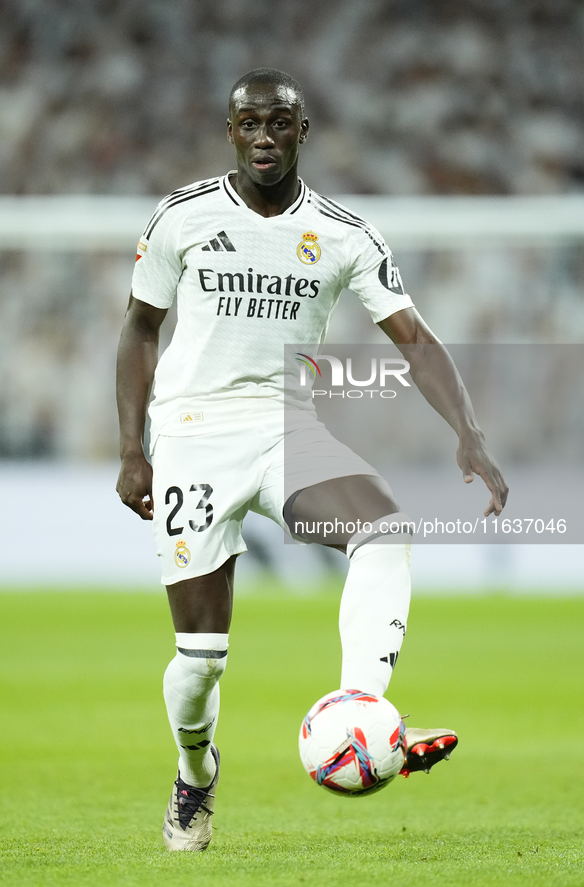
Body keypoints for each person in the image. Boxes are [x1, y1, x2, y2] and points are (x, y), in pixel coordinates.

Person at [116, 68, 508, 852]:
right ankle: (196, 771)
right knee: (198, 663)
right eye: (250, 123)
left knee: (385, 530)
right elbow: (137, 329)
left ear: (304, 132)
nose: (265, 136)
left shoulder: (344, 234)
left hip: (285, 425)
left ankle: (360, 706)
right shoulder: (181, 217)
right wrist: (134, 449)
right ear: (230, 132)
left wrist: (467, 431)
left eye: (280, 123)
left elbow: (416, 340)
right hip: (193, 433)